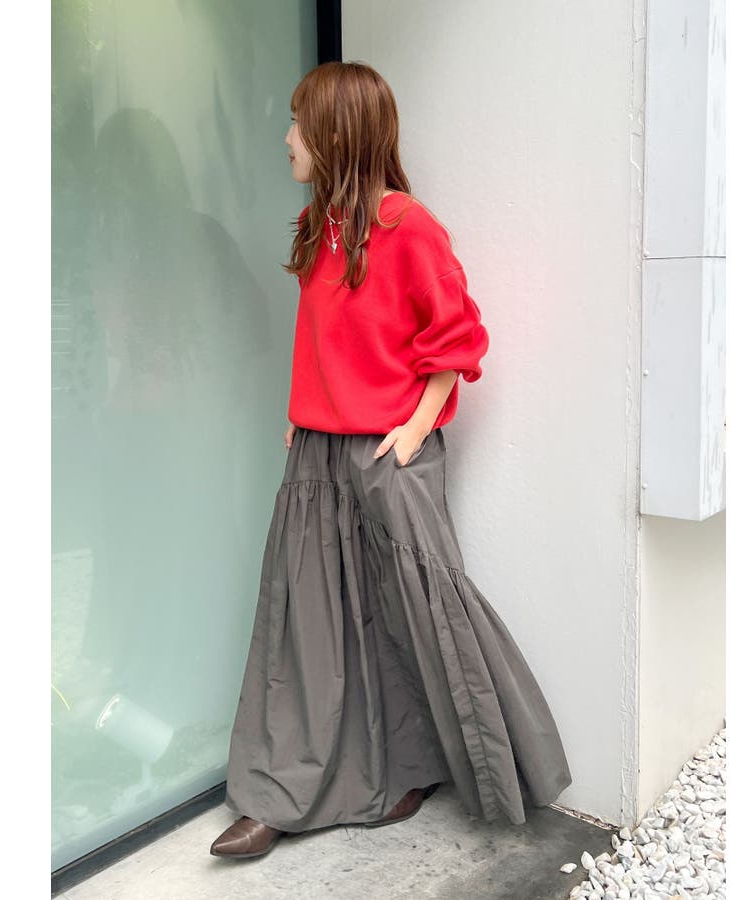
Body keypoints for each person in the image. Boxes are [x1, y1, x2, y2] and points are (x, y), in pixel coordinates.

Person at [210, 61, 572, 861]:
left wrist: (411, 431)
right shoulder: (319, 225)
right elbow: (327, 334)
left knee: (421, 616)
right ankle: (281, 795)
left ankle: (443, 770)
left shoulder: (408, 226)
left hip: (386, 451)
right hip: (317, 453)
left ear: (338, 134)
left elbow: (457, 339)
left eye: (300, 123)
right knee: (311, 628)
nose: (287, 137)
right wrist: (303, 411)